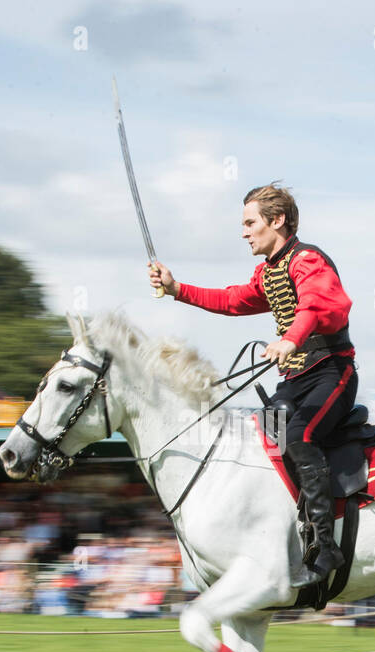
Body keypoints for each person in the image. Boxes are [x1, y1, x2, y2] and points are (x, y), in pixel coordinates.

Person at [148, 183, 356, 588]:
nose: (244, 232)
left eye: (250, 223)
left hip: (331, 373)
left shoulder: (307, 260)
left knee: (299, 436)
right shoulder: (269, 272)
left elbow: (319, 304)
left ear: (276, 221)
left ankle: (325, 546)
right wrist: (176, 289)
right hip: (294, 379)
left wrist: (291, 339)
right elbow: (231, 301)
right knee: (265, 435)